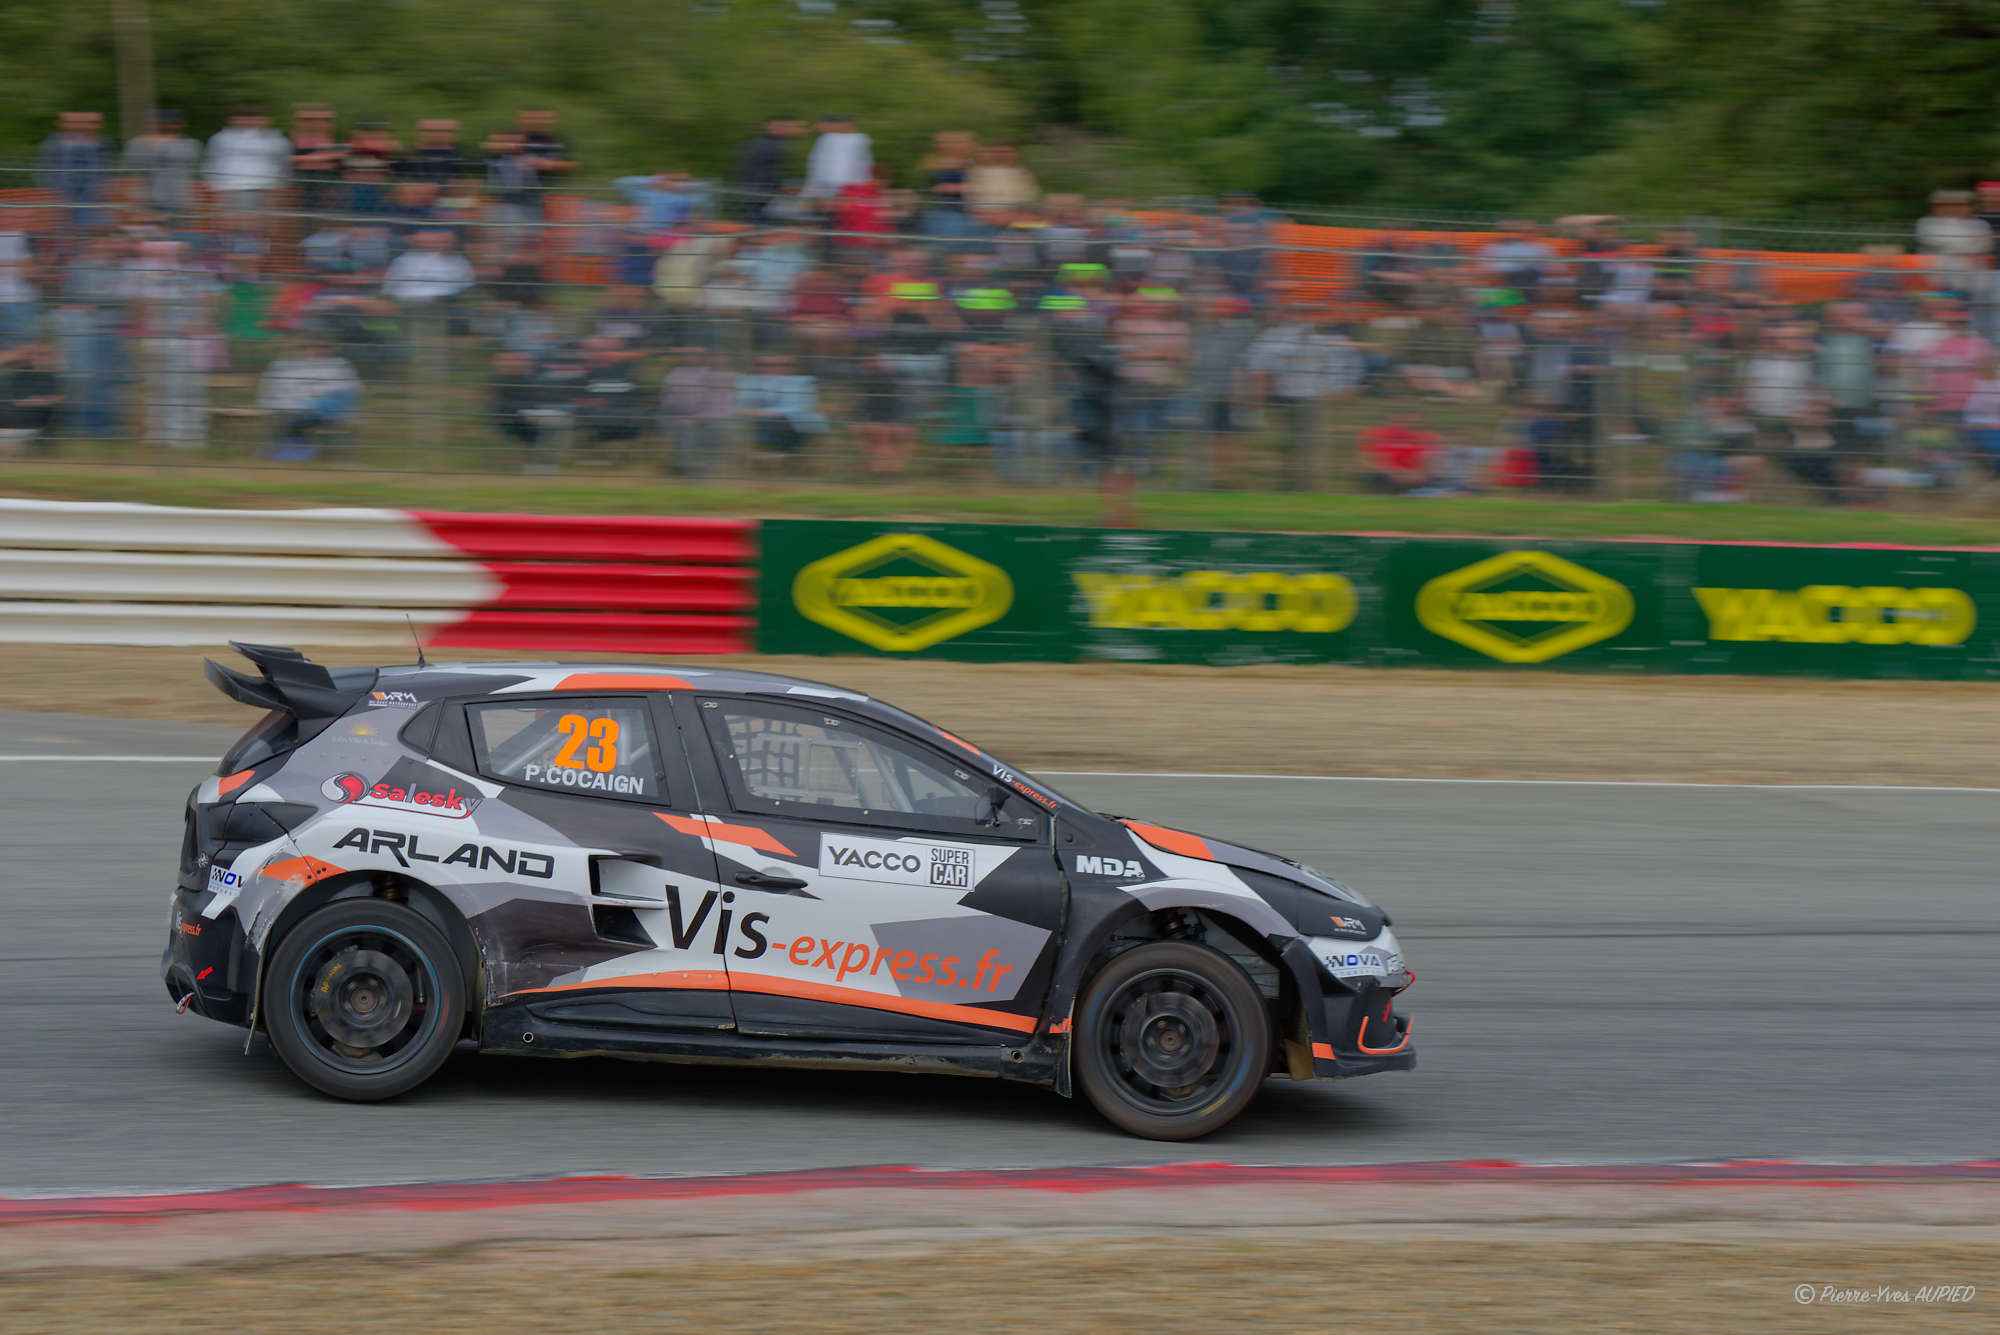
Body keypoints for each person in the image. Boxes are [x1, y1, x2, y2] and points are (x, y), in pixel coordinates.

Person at [1245, 308, 1362, 489]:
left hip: (1313, 399)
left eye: (1306, 314)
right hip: (1285, 398)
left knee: (1310, 445)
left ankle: (1307, 485)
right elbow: (1257, 362)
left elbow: (1341, 363)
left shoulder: (1326, 337)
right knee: (1289, 445)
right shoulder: (1274, 336)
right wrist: (1262, 388)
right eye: (1296, 313)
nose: (1300, 319)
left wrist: (1337, 389)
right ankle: (1289, 484)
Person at [125, 238, 216, 449]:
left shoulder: (200, 274)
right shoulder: (153, 275)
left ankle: (190, 435)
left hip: (190, 340)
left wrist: (200, 324)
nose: (178, 254)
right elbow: (142, 303)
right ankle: (158, 435)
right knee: (157, 389)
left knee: (188, 389)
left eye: (182, 250)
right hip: (158, 337)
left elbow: (210, 303)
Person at [257, 339, 361, 461]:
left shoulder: (338, 365)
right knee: (293, 420)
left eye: (320, 348)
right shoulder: (281, 367)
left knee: (309, 414)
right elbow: (272, 392)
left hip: (321, 411)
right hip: (295, 411)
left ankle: (293, 450)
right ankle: (293, 449)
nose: (313, 352)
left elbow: (348, 390)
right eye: (304, 349)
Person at [203, 106, 291, 219]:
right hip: (227, 189)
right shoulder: (219, 139)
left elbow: (283, 165)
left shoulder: (278, 141)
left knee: (259, 224)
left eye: (253, 118)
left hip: (263, 189)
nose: (246, 122)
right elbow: (210, 162)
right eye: (240, 119)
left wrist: (279, 185)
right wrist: (211, 183)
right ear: (231, 120)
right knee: (228, 224)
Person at [660, 346, 735, 475]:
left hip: (707, 419)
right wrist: (677, 414)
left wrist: (699, 417)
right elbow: (667, 400)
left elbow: (719, 404)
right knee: (682, 427)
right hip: (676, 417)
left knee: (700, 428)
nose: (695, 357)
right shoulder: (675, 373)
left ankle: (694, 466)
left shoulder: (716, 376)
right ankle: (687, 466)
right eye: (692, 354)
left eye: (700, 354)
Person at [37, 111, 112, 237]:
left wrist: (104, 190)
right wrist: (54, 194)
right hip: (63, 201)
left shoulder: (104, 143)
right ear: (60, 124)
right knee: (65, 236)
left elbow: (108, 169)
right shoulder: (52, 143)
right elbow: (42, 170)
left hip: (94, 201)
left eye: (93, 123)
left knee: (97, 235)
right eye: (70, 123)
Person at [735, 352, 826, 454]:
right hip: (762, 427)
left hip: (797, 428)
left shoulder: (802, 382)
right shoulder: (749, 381)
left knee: (777, 421)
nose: (776, 369)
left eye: (784, 365)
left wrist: (756, 412)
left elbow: (794, 410)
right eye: (765, 365)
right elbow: (740, 406)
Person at [124, 110, 202, 221]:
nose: (169, 126)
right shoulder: (138, 143)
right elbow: (132, 156)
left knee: (179, 235)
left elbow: (182, 154)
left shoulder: (191, 144)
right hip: (148, 200)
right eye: (164, 123)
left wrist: (160, 143)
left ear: (182, 124)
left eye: (174, 123)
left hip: (179, 200)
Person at [732, 115, 803, 220]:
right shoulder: (769, 144)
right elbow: (768, 170)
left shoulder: (764, 142)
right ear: (767, 127)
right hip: (761, 192)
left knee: (757, 221)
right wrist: (780, 186)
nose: (782, 129)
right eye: (778, 126)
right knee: (760, 222)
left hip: (758, 191)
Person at [0, 340, 63, 452]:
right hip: (13, 426)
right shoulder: (21, 375)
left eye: (44, 355)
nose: (38, 358)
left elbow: (57, 400)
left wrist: (39, 401)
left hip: (25, 429)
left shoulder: (52, 379)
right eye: (36, 354)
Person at [1359, 415, 1444, 493]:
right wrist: (1394, 472)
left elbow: (1422, 462)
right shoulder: (1376, 434)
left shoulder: (1415, 438)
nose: (1400, 425)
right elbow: (1369, 461)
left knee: (1416, 479)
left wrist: (1412, 473)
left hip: (1407, 475)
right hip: (1388, 474)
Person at [287, 104, 347, 214]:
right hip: (303, 184)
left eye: (322, 120)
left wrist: (305, 160)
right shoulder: (292, 139)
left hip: (330, 184)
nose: (314, 123)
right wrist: (323, 158)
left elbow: (342, 158)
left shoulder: (334, 138)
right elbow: (287, 160)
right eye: (307, 120)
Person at [801, 114, 872, 201]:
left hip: (840, 191)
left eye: (827, 124)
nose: (820, 127)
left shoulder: (854, 140)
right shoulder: (824, 139)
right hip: (825, 190)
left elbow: (844, 169)